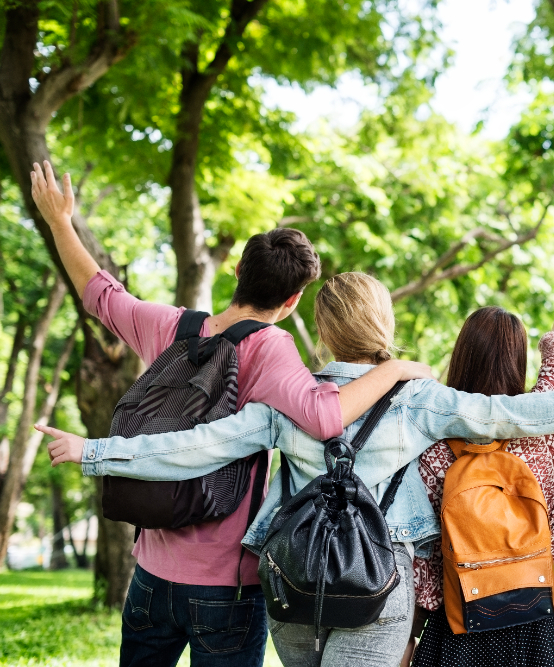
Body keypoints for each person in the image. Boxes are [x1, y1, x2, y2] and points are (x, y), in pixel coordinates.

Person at [40, 273, 554, 667]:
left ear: (321, 331)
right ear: (384, 326)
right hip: (378, 585)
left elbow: (192, 447)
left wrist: (94, 451)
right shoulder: (417, 398)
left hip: (291, 585)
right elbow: (513, 415)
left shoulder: (286, 400)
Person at [30, 161, 432, 667]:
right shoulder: (271, 348)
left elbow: (101, 296)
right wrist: (394, 369)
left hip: (151, 573)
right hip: (227, 585)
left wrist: (60, 221)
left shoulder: (171, 327)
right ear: (291, 302)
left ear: (237, 270)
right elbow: (325, 417)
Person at [409, 210, 554, 667]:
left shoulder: (432, 441)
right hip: (536, 616)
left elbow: (423, 557)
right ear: (518, 361)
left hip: (461, 622)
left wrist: (410, 637)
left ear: (461, 357)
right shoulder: (540, 427)